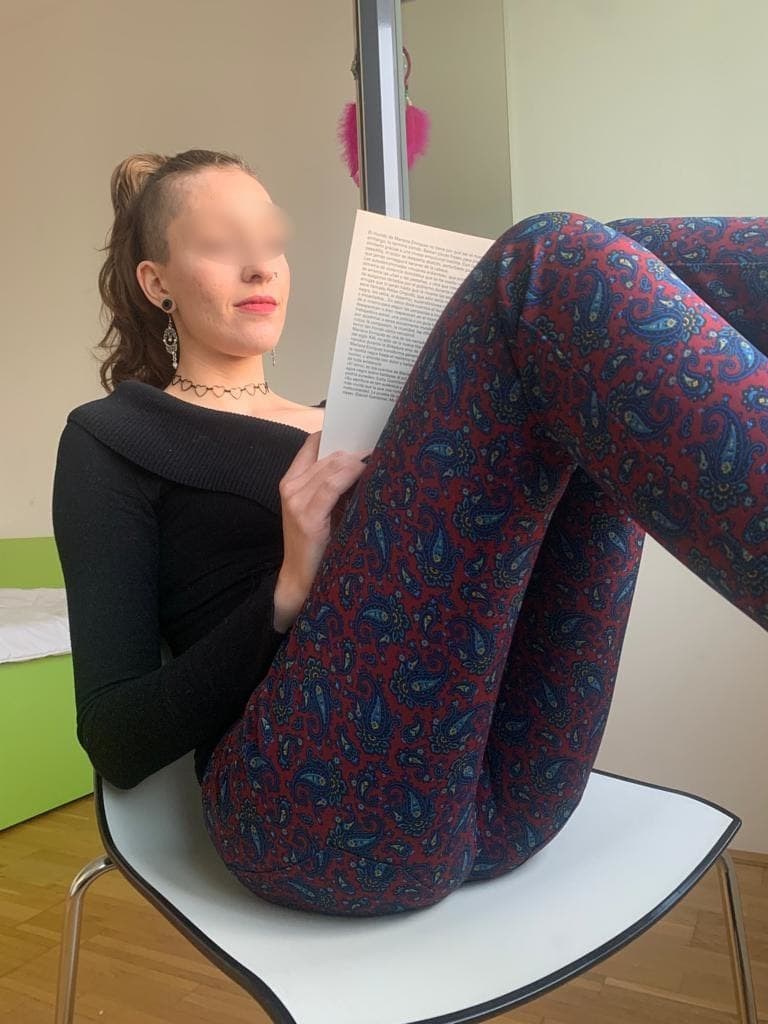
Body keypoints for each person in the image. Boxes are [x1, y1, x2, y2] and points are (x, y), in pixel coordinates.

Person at [52, 148, 768, 920]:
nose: (259, 267)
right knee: (545, 265)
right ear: (156, 281)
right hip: (308, 813)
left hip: (512, 775)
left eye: (270, 241)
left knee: (625, 257)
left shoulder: (350, 417)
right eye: (221, 244)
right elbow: (116, 737)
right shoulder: (116, 435)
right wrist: (288, 590)